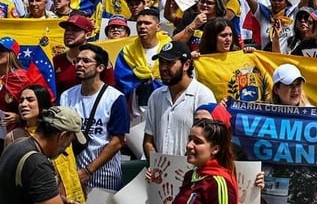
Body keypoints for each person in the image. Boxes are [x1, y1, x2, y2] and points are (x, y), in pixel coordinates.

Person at [59, 43, 130, 192]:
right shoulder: (67, 96)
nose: (79, 64)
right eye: (77, 60)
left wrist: (88, 171)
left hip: (104, 175)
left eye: (85, 61)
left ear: (100, 67)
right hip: (73, 172)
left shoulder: (115, 98)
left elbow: (117, 141)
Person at [4, 85, 84, 204]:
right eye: (21, 101)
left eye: (30, 100)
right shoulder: (36, 161)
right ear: (62, 137)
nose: (23, 104)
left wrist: (63, 199)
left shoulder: (19, 146)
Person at [144, 41, 216, 158]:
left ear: (186, 65)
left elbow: (208, 142)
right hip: (160, 173)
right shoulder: (155, 96)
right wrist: (157, 165)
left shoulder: (203, 96)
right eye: (161, 63)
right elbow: (148, 140)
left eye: (170, 63)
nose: (163, 68)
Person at [170, 118, 238, 204]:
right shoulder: (190, 176)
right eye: (190, 139)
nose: (189, 145)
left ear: (215, 149)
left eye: (197, 141)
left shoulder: (218, 184)